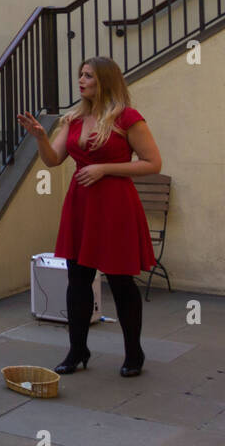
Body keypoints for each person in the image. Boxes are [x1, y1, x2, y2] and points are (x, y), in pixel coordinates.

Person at [17, 58, 162, 378]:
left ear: (105, 81)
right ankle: (77, 349)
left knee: (122, 281)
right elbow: (53, 160)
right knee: (77, 279)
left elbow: (153, 163)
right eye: (80, 75)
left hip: (115, 206)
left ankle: (133, 351)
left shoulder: (127, 118)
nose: (81, 81)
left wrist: (105, 168)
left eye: (88, 76)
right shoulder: (74, 118)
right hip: (81, 204)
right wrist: (40, 136)